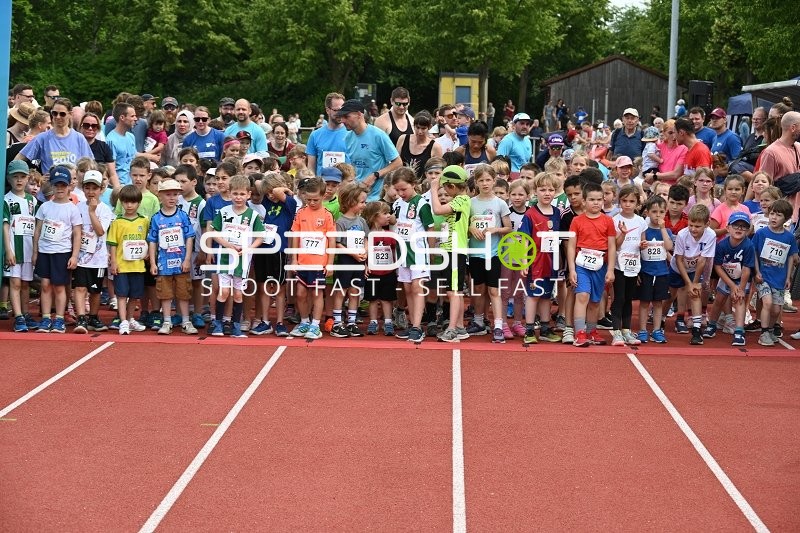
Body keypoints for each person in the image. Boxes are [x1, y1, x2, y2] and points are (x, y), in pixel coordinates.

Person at [207, 175, 265, 338]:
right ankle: (218, 324)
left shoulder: (252, 215)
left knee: (238, 294)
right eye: (235, 194)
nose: (238, 197)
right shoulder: (224, 212)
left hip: (242, 261)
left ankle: (236, 325)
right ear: (230, 194)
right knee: (224, 291)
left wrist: (248, 248)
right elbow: (213, 232)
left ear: (248, 194)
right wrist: (227, 245)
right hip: (225, 257)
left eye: (242, 194)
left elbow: (260, 236)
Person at [465, 164, 512, 343]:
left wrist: (495, 229)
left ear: (494, 181)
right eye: (481, 180)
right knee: (478, 289)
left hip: (493, 254)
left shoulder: (500, 203)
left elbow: (508, 228)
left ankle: (498, 325)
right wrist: (470, 228)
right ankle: (478, 320)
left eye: (488, 180)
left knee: (493, 290)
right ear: (476, 182)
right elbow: (464, 225)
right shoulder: (470, 203)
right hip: (475, 253)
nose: (485, 183)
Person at [32, 166, 82, 333]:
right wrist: (35, 252)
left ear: (69, 186)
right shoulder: (45, 207)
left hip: (62, 252)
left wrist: (74, 256)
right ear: (52, 186)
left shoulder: (72, 209)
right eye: (57, 185)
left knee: (60, 286)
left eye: (63, 185)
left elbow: (77, 234)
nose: (60, 188)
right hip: (45, 251)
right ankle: (46, 318)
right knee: (45, 284)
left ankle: (59, 318)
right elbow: (37, 230)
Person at [567, 181, 616, 347]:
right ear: (584, 201)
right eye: (592, 199)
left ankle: (591, 331)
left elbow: (612, 246)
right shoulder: (577, 221)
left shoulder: (608, 221)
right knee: (582, 295)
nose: (596, 203)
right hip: (581, 265)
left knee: (595, 301)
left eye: (599, 199)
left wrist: (610, 270)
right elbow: (571, 246)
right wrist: (572, 269)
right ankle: (579, 333)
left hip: (600, 265)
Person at [287, 177, 336, 340]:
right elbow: (295, 236)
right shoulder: (301, 213)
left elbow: (332, 239)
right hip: (302, 262)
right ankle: (304, 322)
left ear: (323, 196)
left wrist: (330, 263)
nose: (312, 202)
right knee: (300, 293)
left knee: (316, 293)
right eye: (308, 199)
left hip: (319, 263)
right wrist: (293, 259)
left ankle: (315, 325)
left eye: (315, 199)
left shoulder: (327, 215)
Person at [147, 178, 196, 335]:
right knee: (165, 293)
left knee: (183, 292)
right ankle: (167, 321)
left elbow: (189, 237)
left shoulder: (182, 216)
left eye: (175, 194)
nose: (172, 198)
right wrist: (153, 263)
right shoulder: (156, 218)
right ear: (160, 195)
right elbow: (152, 241)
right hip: (163, 262)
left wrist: (188, 259)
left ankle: (185, 321)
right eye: (168, 194)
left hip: (181, 261)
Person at [391, 167, 434, 343]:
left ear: (413, 185)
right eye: (398, 190)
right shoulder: (397, 204)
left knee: (417, 287)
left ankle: (417, 327)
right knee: (407, 288)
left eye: (404, 189)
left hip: (418, 252)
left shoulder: (422, 203)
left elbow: (430, 228)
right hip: (402, 252)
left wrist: (431, 253)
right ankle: (411, 324)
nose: (401, 193)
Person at [251, 173, 297, 337]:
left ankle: (279, 322)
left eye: (273, 191)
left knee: (278, 288)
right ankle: (264, 321)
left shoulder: (290, 203)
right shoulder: (265, 201)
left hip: (280, 249)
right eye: (268, 192)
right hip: (263, 248)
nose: (271, 195)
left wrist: (283, 190)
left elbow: (279, 193)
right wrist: (270, 189)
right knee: (263, 286)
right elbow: (256, 182)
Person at [429, 165, 471, 343]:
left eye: (444, 187)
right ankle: (460, 326)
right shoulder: (460, 200)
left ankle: (452, 329)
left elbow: (437, 210)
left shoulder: (461, 200)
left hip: (455, 251)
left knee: (453, 293)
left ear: (452, 187)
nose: (442, 191)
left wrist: (432, 189)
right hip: (450, 250)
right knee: (456, 292)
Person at [519, 172, 561, 344]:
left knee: (546, 295)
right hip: (535, 261)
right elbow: (523, 239)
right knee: (533, 295)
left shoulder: (557, 212)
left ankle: (545, 328)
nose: (547, 193)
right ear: (535, 192)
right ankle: (529, 329)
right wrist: (524, 261)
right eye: (542, 189)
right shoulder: (530, 214)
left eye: (550, 190)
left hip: (552, 262)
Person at [703, 211, 755, 346]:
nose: (739, 229)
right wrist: (732, 285)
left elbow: (746, 269)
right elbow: (718, 267)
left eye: (743, 227)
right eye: (736, 226)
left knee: (740, 300)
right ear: (728, 228)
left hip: (742, 278)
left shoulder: (748, 246)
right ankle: (712, 325)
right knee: (719, 299)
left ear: (748, 230)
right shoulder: (722, 245)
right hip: (727, 276)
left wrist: (740, 289)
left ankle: (739, 331)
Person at [72, 170, 114, 333]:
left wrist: (91, 211)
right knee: (80, 288)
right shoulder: (77, 207)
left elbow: (100, 231)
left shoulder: (104, 210)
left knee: (95, 290)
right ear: (83, 188)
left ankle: (93, 317)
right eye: (87, 188)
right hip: (81, 256)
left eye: (94, 188)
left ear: (101, 189)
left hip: (98, 258)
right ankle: (81, 317)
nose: (91, 192)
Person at [752, 199, 798, 346]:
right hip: (763, 276)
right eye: (772, 214)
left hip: (779, 277)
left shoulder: (789, 237)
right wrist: (756, 271)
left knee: (776, 309)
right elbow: (754, 252)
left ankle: (770, 329)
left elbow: (791, 257)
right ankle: (764, 332)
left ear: (786, 219)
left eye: (778, 215)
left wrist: (788, 276)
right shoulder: (761, 233)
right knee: (767, 302)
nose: (773, 218)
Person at [337, 99, 401, 202]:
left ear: (359, 114)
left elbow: (398, 162)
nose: (343, 121)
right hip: (355, 198)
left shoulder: (378, 135)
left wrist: (376, 175)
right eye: (342, 117)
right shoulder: (347, 138)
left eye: (346, 117)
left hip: (375, 199)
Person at [670, 204, 716, 344]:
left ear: (707, 224)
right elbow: (678, 259)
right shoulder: (682, 235)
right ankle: (660, 321)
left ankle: (696, 330)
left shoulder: (711, 235)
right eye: (691, 225)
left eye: (697, 226)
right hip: (678, 267)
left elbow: (703, 260)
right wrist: (689, 283)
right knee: (670, 296)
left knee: (695, 293)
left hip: (695, 268)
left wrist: (694, 284)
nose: (693, 229)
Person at [107, 185, 150, 335]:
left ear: (139, 203)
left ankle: (130, 318)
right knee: (122, 294)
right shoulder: (117, 222)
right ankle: (123, 321)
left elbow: (148, 241)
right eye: (126, 202)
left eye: (132, 202)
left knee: (134, 295)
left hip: (138, 266)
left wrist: (148, 253)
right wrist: (113, 262)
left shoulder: (144, 221)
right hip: (122, 266)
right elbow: (112, 243)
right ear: (121, 202)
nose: (129, 205)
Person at [329, 182, 369, 338]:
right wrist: (352, 253)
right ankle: (337, 323)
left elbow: (366, 239)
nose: (364, 205)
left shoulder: (362, 222)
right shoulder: (341, 222)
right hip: (346, 260)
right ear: (351, 202)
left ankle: (351, 322)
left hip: (359, 261)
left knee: (355, 291)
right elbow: (337, 243)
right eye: (362, 202)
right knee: (341, 291)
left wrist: (365, 253)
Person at [609, 184, 647, 346]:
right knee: (619, 298)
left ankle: (626, 330)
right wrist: (623, 234)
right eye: (624, 201)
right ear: (619, 202)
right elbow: (614, 246)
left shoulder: (640, 221)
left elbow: (642, 242)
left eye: (632, 201)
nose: (628, 204)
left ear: (637, 203)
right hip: (619, 266)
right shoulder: (615, 220)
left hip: (634, 266)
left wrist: (643, 246)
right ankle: (616, 331)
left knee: (629, 299)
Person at [3, 161, 38, 331]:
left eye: (22, 177)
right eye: (15, 177)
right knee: (15, 283)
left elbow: (36, 226)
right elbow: (5, 225)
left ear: (27, 178)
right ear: (9, 179)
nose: (19, 180)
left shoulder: (32, 200)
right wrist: (8, 250)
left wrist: (35, 250)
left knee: (25, 284)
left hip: (28, 248)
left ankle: (25, 314)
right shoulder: (6, 200)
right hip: (14, 250)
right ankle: (18, 317)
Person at [16, 99, 92, 176]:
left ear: (70, 114)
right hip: (51, 186)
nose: (58, 117)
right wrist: (33, 178)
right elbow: (18, 159)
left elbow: (89, 165)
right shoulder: (42, 138)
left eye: (62, 114)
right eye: (54, 113)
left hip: (72, 186)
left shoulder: (79, 138)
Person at [637, 195, 673, 343]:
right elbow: (639, 248)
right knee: (645, 302)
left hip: (661, 272)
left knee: (658, 303)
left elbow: (669, 247)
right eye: (654, 211)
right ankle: (642, 330)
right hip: (646, 271)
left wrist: (663, 228)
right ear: (647, 213)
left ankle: (657, 330)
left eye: (661, 212)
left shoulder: (667, 231)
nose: (658, 215)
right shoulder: (643, 230)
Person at [174, 164, 207, 330]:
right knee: (180, 282)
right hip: (177, 249)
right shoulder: (174, 200)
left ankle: (198, 313)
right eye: (177, 181)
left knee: (197, 282)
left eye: (183, 181)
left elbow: (204, 228)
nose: (179, 185)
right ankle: (180, 313)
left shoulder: (201, 203)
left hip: (195, 250)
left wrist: (203, 250)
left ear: (194, 181)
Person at [362, 200, 399, 335]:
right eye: (385, 213)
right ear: (375, 216)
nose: (388, 215)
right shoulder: (368, 234)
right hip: (372, 272)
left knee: (387, 298)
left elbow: (394, 250)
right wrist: (364, 266)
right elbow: (364, 252)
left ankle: (388, 322)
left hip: (388, 272)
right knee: (372, 299)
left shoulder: (389, 233)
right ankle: (373, 322)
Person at [306, 92, 348, 176]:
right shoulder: (315, 135)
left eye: (342, 109)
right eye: (336, 110)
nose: (340, 113)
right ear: (327, 110)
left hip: (346, 186)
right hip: (323, 185)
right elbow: (311, 168)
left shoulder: (352, 134)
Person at [396, 111, 442, 178]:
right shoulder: (403, 139)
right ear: (413, 126)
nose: (420, 132)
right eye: (417, 127)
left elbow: (439, 172)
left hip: (423, 185)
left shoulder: (435, 147)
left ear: (429, 127)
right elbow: (395, 163)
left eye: (423, 128)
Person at [496, 113, 533, 178]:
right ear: (514, 125)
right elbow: (498, 164)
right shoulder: (507, 140)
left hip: (524, 178)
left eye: (527, 124)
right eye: (522, 123)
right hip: (511, 179)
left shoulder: (528, 141)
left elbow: (526, 162)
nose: (525, 126)